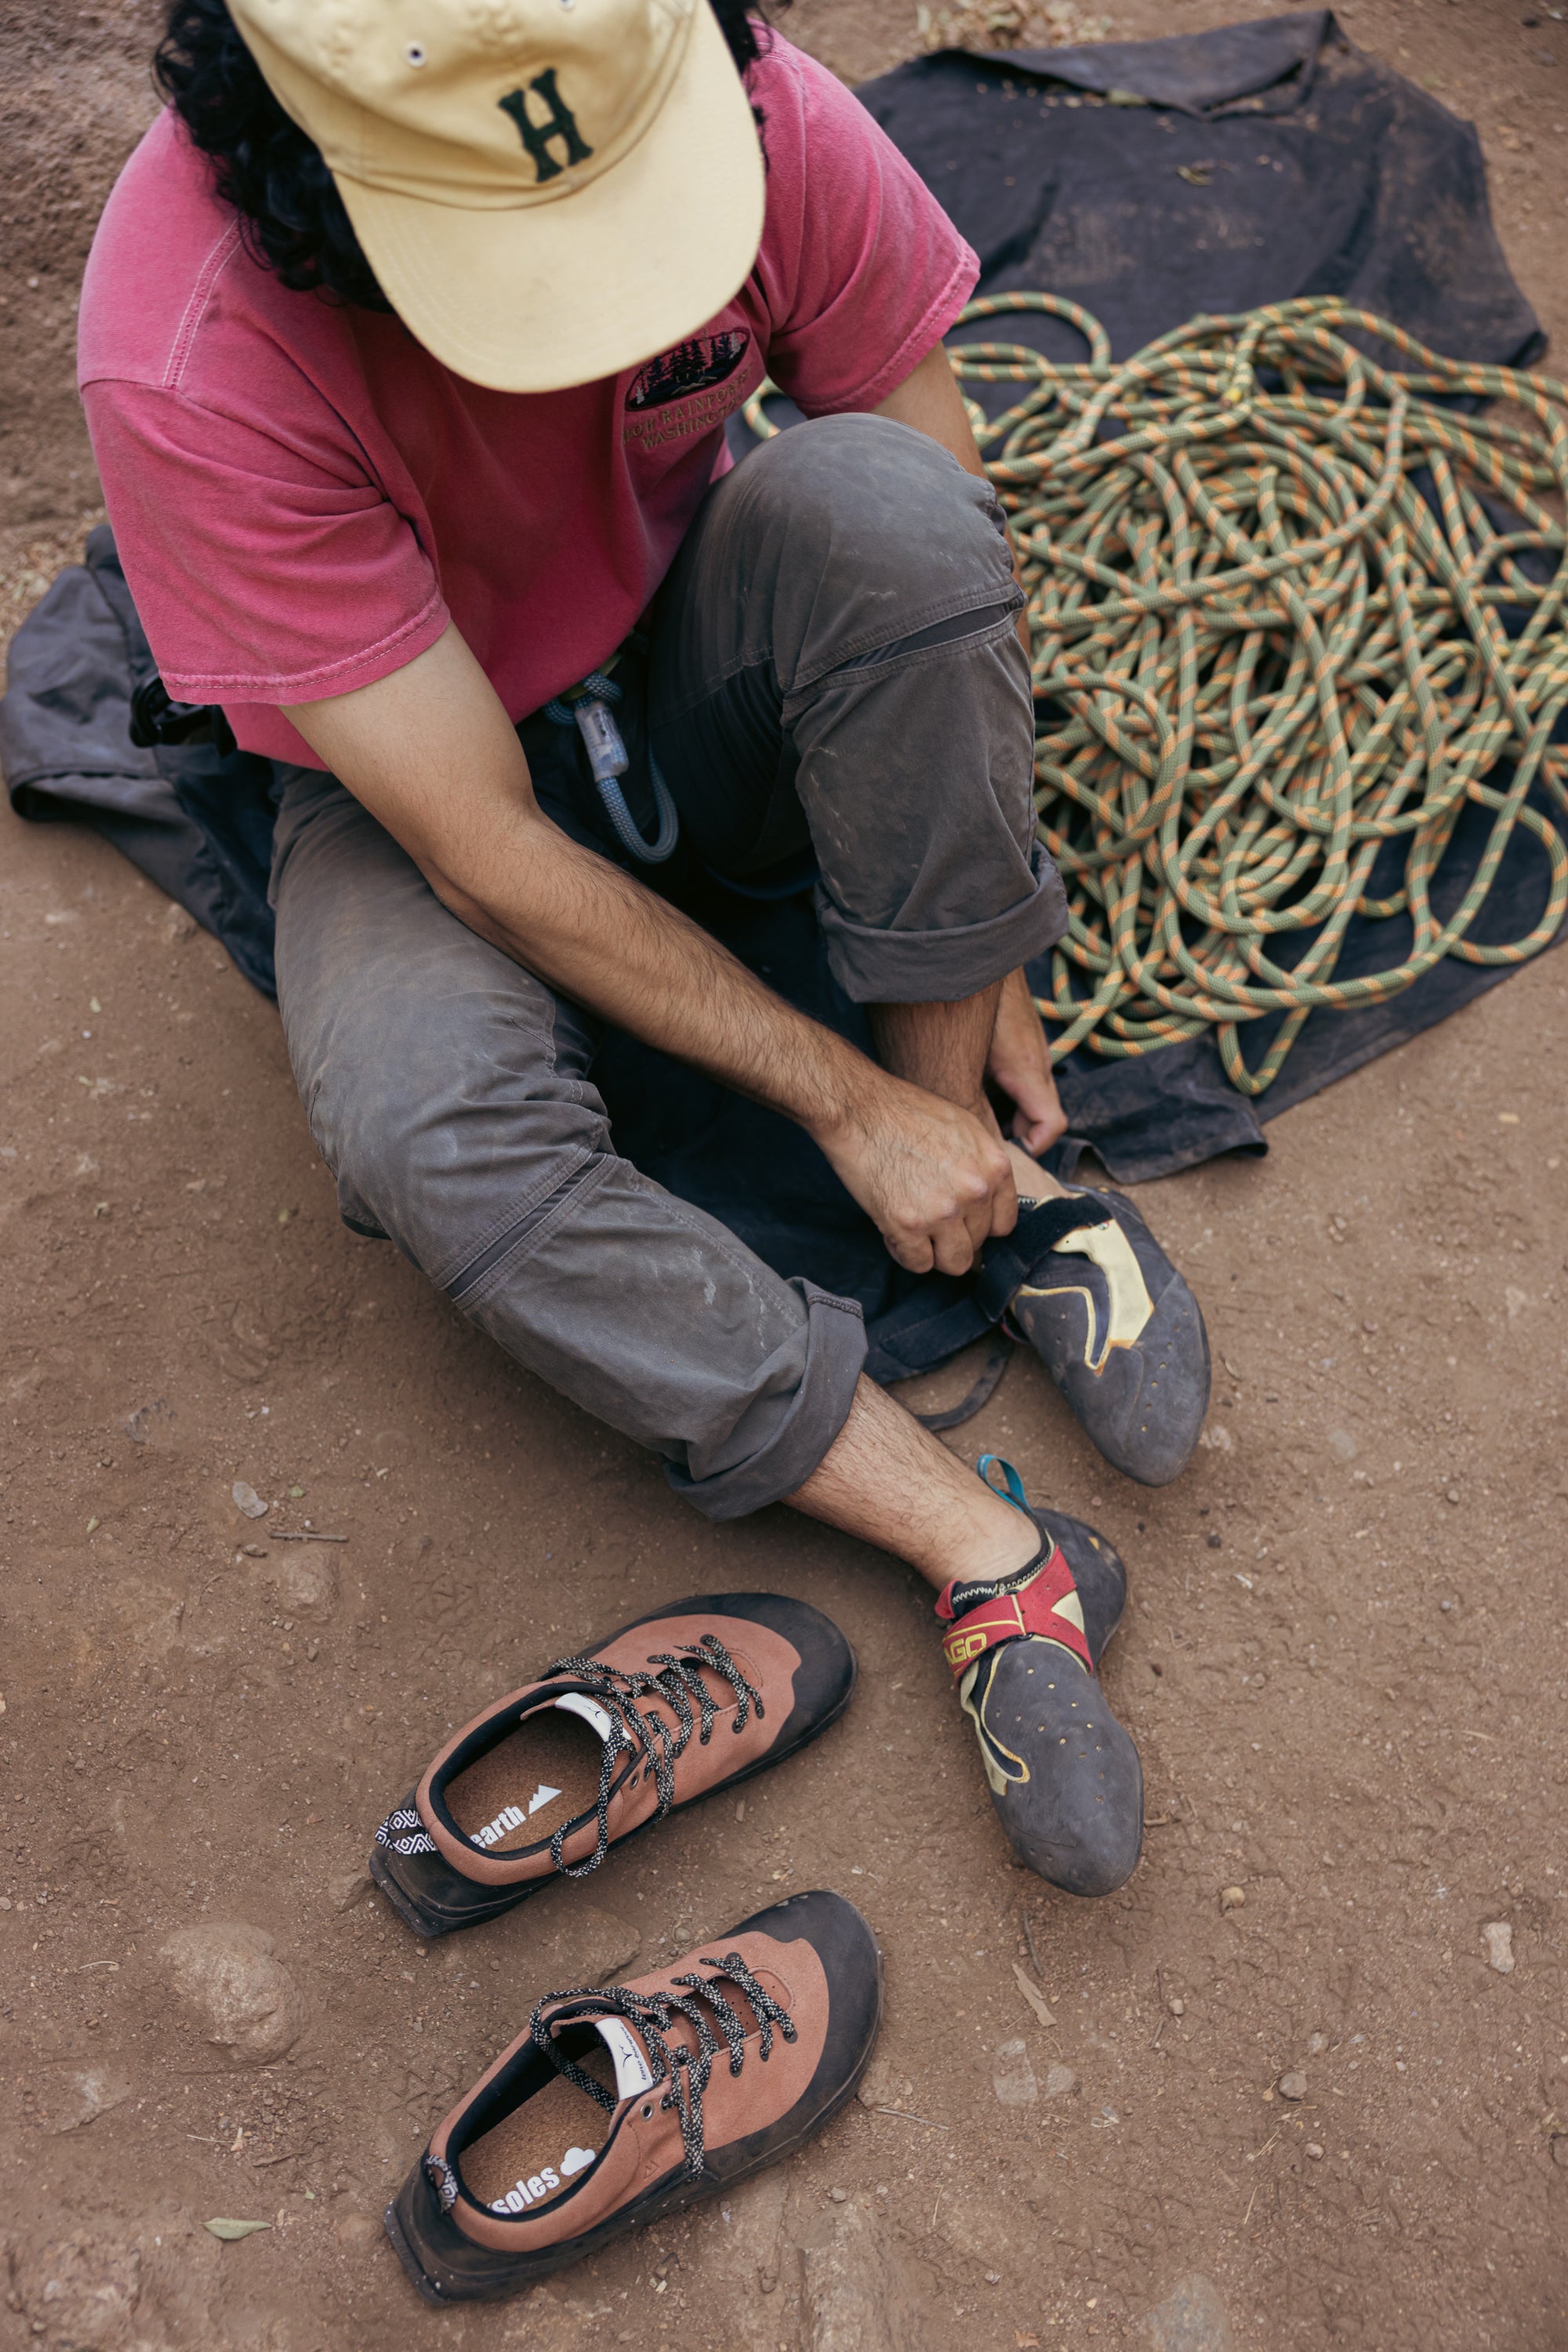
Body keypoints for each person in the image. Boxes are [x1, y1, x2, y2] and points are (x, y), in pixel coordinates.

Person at [78, 0, 1209, 1898]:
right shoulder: (191, 343)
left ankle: (982, 1187)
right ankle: (983, 1551)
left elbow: (930, 476)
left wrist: (965, 950)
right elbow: (480, 847)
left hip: (693, 636)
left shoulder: (741, 97)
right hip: (416, 769)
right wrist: (835, 1096)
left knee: (892, 522)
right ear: (320, 192)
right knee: (431, 1132)